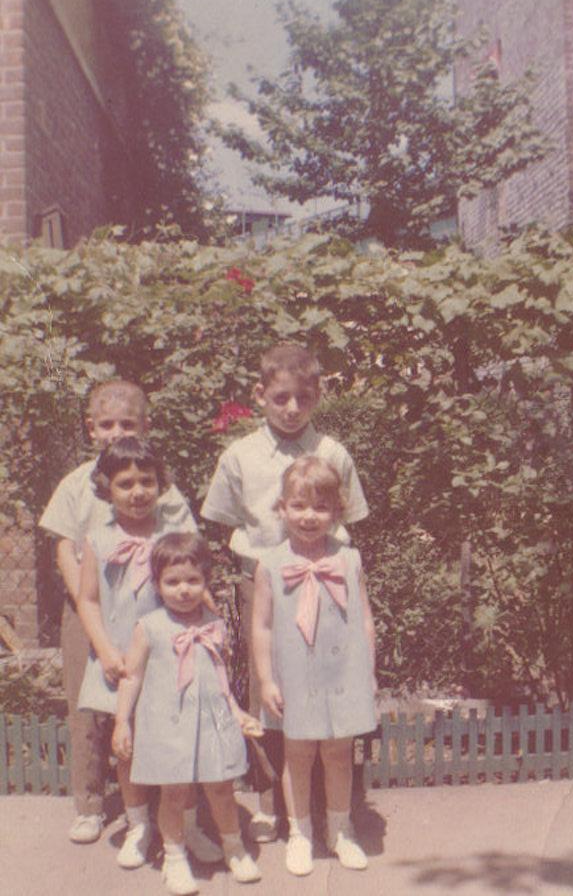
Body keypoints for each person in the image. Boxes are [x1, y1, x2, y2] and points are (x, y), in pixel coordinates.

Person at [200, 342, 369, 843]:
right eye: (281, 398)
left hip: (328, 578)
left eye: (303, 397)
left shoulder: (333, 453)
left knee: (330, 686)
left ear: (318, 396)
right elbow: (224, 523)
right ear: (260, 395)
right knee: (271, 693)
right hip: (267, 582)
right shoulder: (240, 455)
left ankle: (333, 809)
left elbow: (352, 520)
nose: (292, 409)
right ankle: (276, 804)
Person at [39, 380, 214, 858]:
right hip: (92, 609)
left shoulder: (162, 486)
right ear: (91, 427)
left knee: (165, 708)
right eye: (107, 424)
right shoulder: (78, 483)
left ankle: (172, 810)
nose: (117, 433)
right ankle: (91, 804)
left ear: (146, 426)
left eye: (128, 424)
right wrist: (89, 610)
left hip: (156, 612)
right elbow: (64, 547)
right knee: (90, 710)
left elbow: (186, 547)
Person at [75, 436, 216, 871]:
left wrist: (212, 636)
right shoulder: (98, 540)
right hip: (120, 661)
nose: (137, 492)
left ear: (161, 484)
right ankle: (139, 825)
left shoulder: (173, 539)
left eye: (147, 481)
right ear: (106, 487)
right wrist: (104, 650)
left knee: (181, 744)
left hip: (171, 662)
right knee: (129, 749)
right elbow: (88, 600)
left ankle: (187, 824)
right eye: (125, 483)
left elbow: (199, 593)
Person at [113, 533, 262, 893]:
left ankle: (234, 846)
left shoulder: (214, 623)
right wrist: (122, 722)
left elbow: (221, 677)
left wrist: (237, 711)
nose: (183, 589)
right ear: (158, 583)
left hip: (212, 722)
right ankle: (175, 857)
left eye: (193, 581)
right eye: (173, 581)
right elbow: (131, 676)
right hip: (168, 724)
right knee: (174, 793)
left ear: (206, 581)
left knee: (222, 789)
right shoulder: (149, 627)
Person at [251, 455, 377, 876]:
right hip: (296, 675)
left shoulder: (350, 559)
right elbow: (263, 627)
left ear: (337, 512)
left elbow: (364, 619)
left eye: (321, 507)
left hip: (342, 673)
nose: (309, 516)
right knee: (298, 754)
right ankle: (300, 832)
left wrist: (369, 672)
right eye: (299, 506)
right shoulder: (269, 563)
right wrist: (266, 679)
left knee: (340, 754)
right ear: (282, 508)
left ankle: (340, 830)